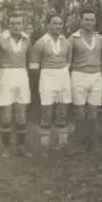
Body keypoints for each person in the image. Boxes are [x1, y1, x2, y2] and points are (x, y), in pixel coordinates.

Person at [29, 15, 72, 157]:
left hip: (63, 75)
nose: (57, 26)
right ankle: (44, 146)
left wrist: (63, 73)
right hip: (47, 76)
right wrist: (38, 83)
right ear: (48, 25)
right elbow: (34, 66)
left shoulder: (66, 42)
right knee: (47, 112)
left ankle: (62, 144)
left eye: (60, 24)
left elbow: (68, 61)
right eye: (54, 23)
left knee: (63, 110)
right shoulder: (41, 43)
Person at [0, 13, 32, 158]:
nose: (16, 26)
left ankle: (21, 147)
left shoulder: (27, 39)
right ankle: (6, 148)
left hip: (22, 75)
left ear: (22, 25)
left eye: (18, 23)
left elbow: (29, 59)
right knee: (6, 113)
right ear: (8, 25)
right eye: (13, 23)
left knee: (21, 112)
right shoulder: (0, 39)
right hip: (5, 75)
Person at [69, 8, 102, 152]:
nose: (89, 22)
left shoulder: (100, 38)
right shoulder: (73, 38)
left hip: (96, 76)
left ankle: (92, 141)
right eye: (86, 19)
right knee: (80, 111)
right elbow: (67, 58)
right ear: (81, 21)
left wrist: (97, 65)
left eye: (91, 20)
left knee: (93, 111)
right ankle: (80, 142)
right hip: (78, 75)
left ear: (95, 21)